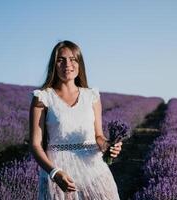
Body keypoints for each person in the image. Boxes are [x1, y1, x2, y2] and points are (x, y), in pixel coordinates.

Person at [29, 40, 122, 200]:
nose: (67, 64)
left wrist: (108, 146)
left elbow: (98, 136)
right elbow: (35, 144)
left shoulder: (91, 96)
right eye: (61, 59)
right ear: (54, 64)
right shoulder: (43, 98)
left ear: (80, 64)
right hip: (60, 173)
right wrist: (54, 173)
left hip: (94, 170)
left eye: (73, 59)